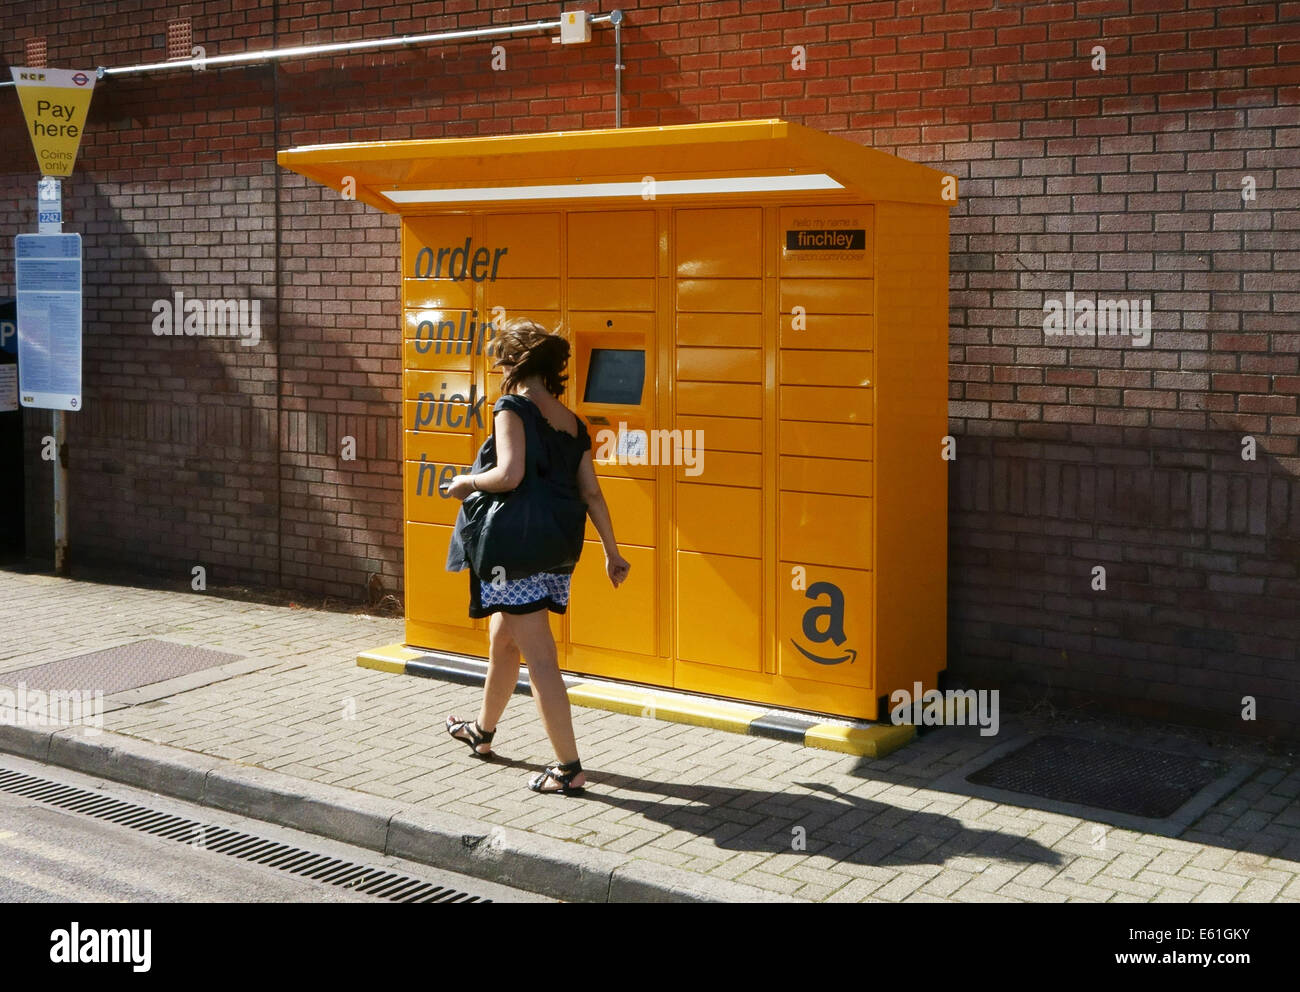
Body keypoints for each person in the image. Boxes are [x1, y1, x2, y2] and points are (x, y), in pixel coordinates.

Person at [442, 318, 631, 795]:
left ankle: (569, 769)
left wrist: (465, 483)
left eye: (500, 361)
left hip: (516, 547)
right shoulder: (572, 422)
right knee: (504, 640)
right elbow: (592, 493)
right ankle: (482, 733)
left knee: (541, 658)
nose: (497, 370)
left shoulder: (512, 407)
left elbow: (507, 475)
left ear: (514, 364)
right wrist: (612, 552)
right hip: (555, 547)